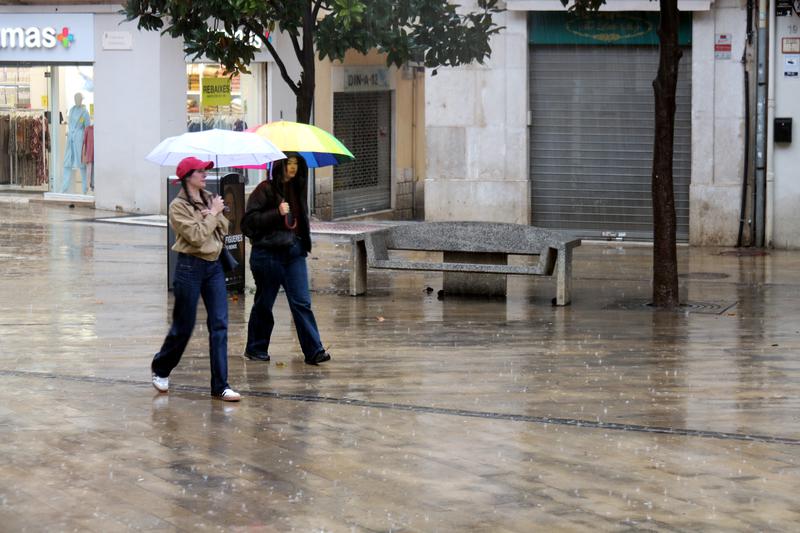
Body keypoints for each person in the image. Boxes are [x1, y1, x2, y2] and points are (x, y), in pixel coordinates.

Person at [151, 156, 241, 401]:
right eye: (200, 171)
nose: (205, 175)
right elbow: (197, 237)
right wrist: (211, 215)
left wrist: (216, 212)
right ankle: (161, 367)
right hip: (189, 267)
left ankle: (221, 385)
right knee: (184, 326)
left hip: (214, 266)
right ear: (188, 176)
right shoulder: (177, 207)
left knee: (219, 324)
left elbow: (224, 228)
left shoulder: (211, 198)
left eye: (205, 171)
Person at [242, 153, 331, 365]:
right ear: (280, 165)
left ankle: (314, 350)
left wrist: (302, 242)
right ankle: (255, 348)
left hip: (294, 252)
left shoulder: (298, 189)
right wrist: (276, 212)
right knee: (264, 303)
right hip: (268, 254)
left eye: (296, 163)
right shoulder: (264, 189)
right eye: (289, 163)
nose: (293, 168)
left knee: (301, 302)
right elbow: (248, 223)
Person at [61, 93, 91, 194]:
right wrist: (70, 133)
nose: (76, 100)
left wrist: (84, 141)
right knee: (67, 163)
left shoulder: (85, 112)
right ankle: (64, 188)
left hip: (79, 139)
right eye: (75, 98)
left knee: (82, 165)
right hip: (71, 139)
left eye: (78, 98)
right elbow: (70, 123)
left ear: (81, 100)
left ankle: (84, 189)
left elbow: (87, 128)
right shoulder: (72, 110)